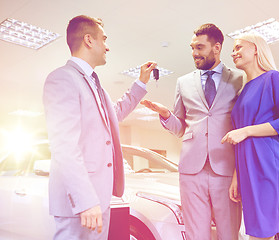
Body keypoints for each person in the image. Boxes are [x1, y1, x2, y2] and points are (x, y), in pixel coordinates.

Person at [43, 15, 156, 240]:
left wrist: (141, 82)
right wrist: (85, 199)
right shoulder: (62, 79)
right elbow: (64, 146)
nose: (107, 46)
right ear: (88, 40)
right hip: (80, 203)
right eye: (103, 39)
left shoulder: (97, 87)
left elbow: (116, 113)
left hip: (99, 199)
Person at [141, 24, 243, 240]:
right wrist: (167, 115)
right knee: (196, 235)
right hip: (191, 171)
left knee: (229, 234)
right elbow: (180, 128)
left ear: (216, 47)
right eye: (192, 47)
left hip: (225, 169)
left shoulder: (238, 79)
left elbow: (243, 123)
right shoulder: (183, 82)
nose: (194, 53)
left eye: (200, 47)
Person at [221, 33, 279, 240]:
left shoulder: (273, 78)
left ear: (255, 49)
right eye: (233, 49)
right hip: (247, 168)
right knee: (255, 232)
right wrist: (236, 176)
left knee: (263, 233)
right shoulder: (244, 90)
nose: (233, 52)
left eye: (238, 47)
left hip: (267, 166)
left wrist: (246, 131)